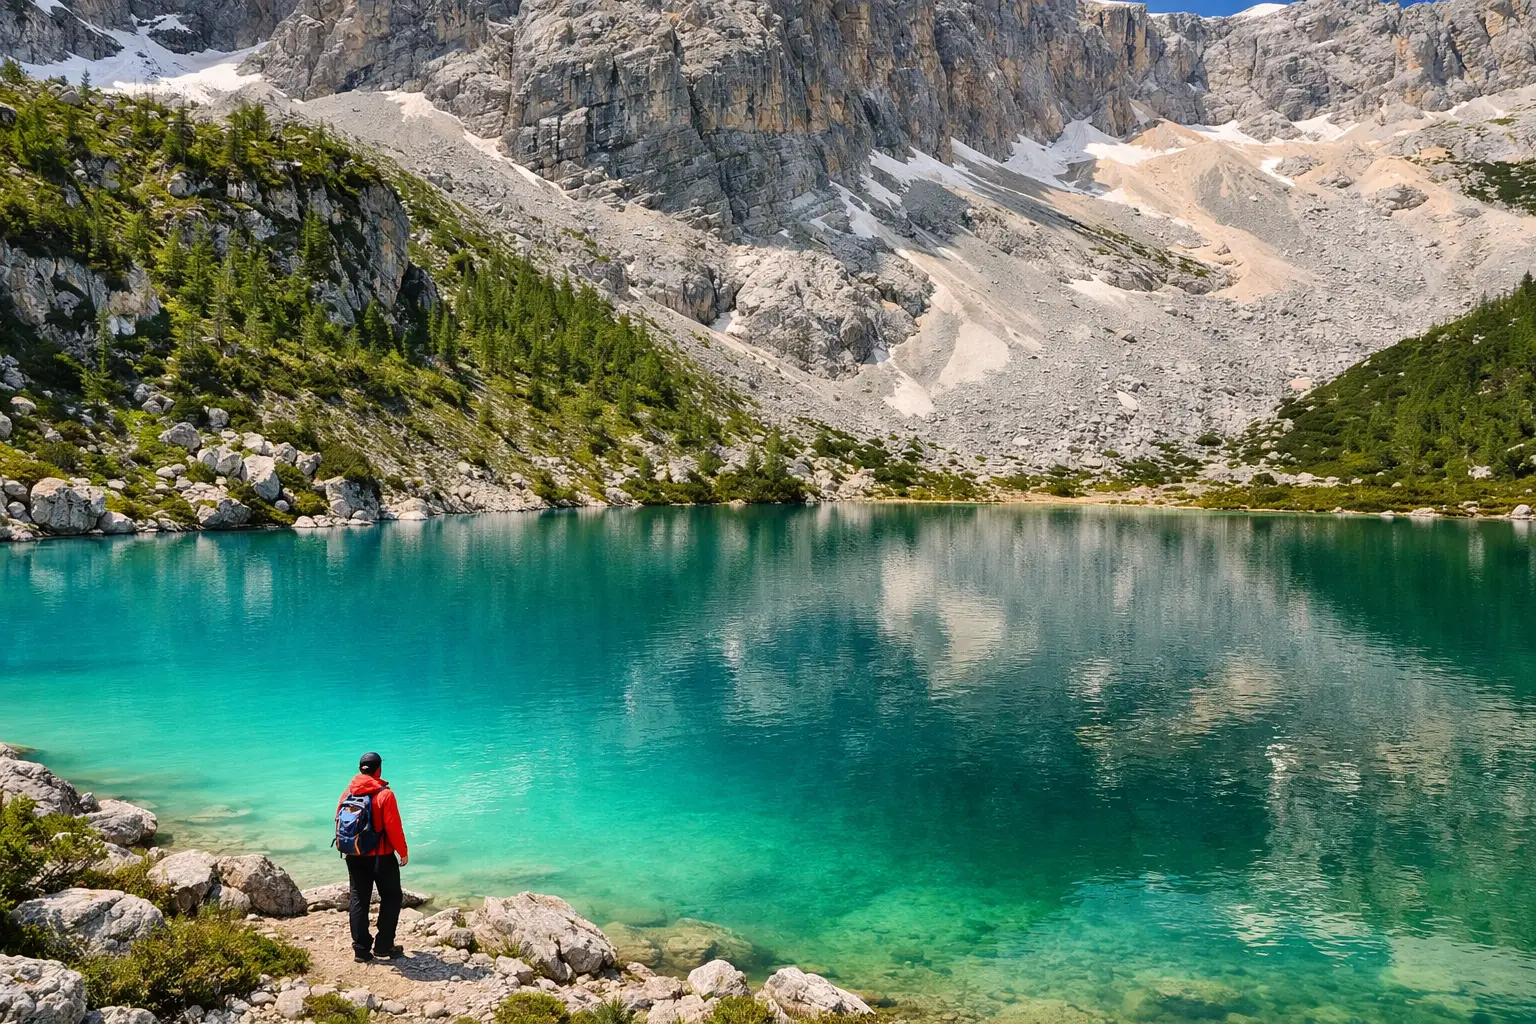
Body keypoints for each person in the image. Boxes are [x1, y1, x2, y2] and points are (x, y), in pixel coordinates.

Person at [335, 751, 409, 962]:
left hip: (353, 853)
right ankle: (384, 946)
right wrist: (403, 852)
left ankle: (361, 950)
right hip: (381, 857)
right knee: (392, 897)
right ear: (379, 769)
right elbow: (394, 828)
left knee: (359, 899)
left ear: (360, 769)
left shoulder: (348, 792)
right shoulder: (385, 794)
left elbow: (338, 820)